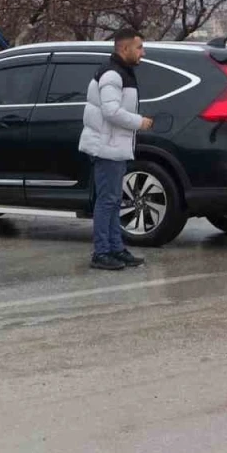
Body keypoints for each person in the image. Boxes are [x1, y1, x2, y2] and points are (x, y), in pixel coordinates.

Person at [78, 29, 154, 271]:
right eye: (139, 47)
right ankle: (102, 252)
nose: (143, 52)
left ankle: (115, 248)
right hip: (107, 147)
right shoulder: (112, 74)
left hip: (115, 147)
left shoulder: (122, 72)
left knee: (112, 200)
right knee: (107, 201)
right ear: (124, 48)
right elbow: (111, 112)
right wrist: (138, 122)